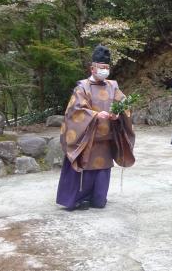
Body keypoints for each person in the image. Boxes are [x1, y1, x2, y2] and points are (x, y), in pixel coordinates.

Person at [56, 44, 134, 210]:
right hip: (87, 141)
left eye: (107, 67)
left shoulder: (113, 86)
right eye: (101, 67)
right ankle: (78, 199)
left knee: (100, 198)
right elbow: (74, 111)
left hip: (105, 141)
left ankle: (98, 197)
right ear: (92, 68)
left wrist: (118, 114)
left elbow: (124, 104)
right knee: (84, 172)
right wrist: (95, 115)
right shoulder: (82, 88)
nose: (104, 70)